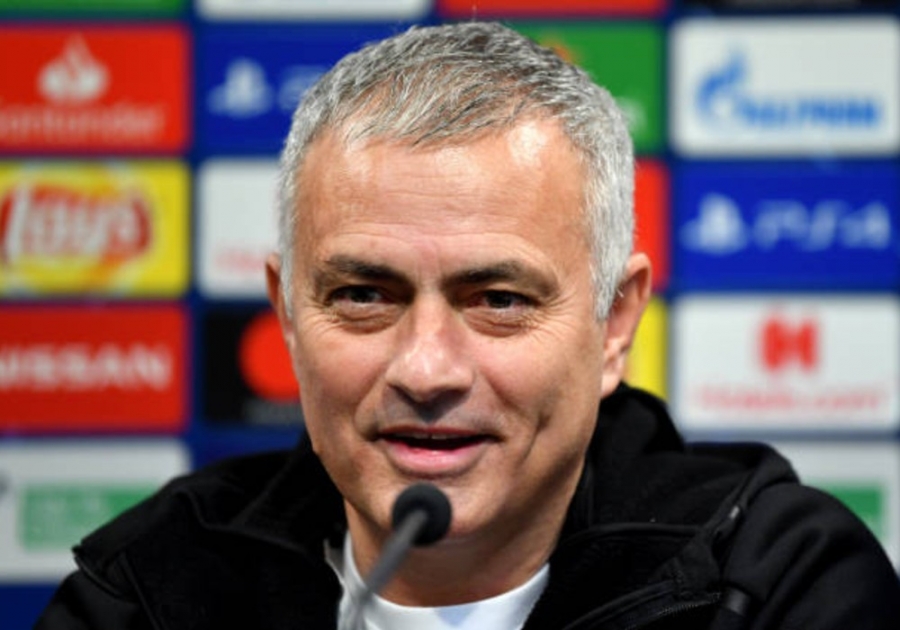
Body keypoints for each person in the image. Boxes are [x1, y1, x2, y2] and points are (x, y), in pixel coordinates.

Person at [37, 22, 900, 630]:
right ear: (289, 317)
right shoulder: (148, 588)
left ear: (613, 324)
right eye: (364, 295)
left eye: (499, 300)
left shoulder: (777, 586)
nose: (426, 369)